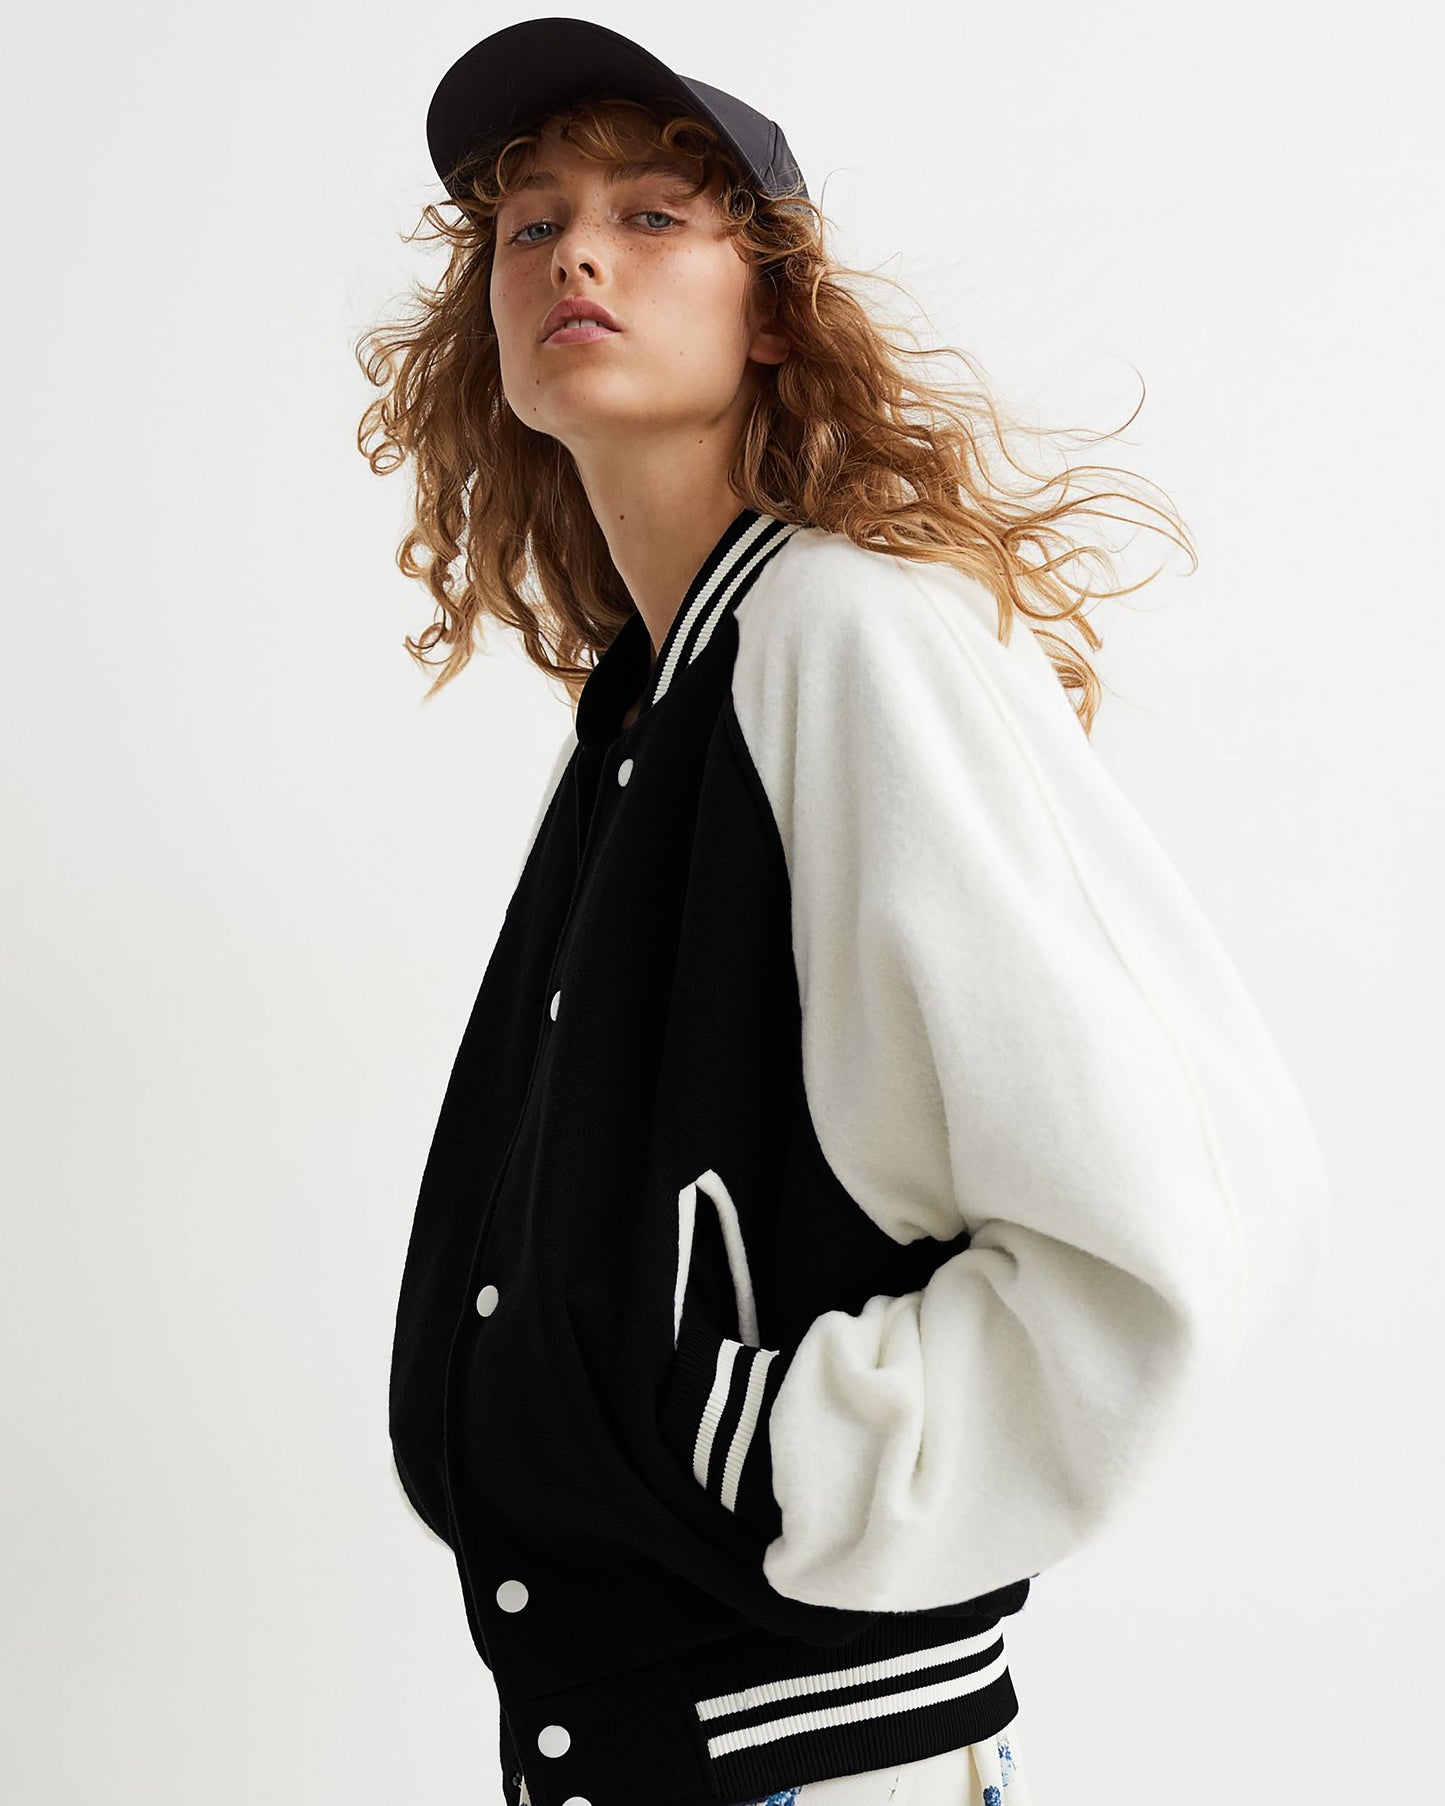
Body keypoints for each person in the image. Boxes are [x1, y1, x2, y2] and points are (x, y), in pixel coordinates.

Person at [356, 20, 1332, 1806]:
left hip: (802, 1745)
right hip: (662, 1736)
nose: (575, 254)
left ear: (773, 309)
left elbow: (1184, 1210)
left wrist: (795, 1458)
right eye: (530, 224)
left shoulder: (844, 630)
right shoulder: (661, 690)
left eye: (653, 215)